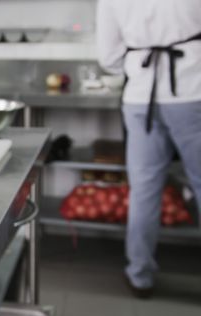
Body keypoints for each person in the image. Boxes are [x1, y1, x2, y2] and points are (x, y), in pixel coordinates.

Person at [97, 0, 201, 298]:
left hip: (140, 97)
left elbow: (109, 57)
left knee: (143, 189)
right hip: (192, 93)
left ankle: (140, 275)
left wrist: (139, 65)